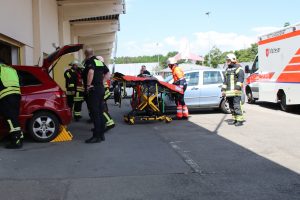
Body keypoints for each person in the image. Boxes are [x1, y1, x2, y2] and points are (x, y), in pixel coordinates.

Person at [82, 48, 109, 143]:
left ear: (85, 54)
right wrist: (101, 82)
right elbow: (108, 74)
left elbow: (90, 72)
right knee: (100, 112)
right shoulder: (99, 62)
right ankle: (101, 135)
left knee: (95, 113)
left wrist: (88, 86)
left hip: (93, 90)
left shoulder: (90, 61)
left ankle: (96, 136)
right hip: (100, 89)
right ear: (93, 53)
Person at [0, 59, 23, 149]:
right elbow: (20, 81)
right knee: (14, 117)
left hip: (6, 95)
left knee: (10, 118)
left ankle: (16, 141)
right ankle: (20, 136)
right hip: (16, 95)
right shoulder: (12, 69)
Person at [221, 53, 245, 126]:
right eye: (226, 60)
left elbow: (241, 79)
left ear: (233, 60)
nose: (227, 62)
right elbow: (225, 81)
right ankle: (235, 119)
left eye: (228, 60)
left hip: (236, 92)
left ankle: (240, 120)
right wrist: (223, 90)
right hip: (229, 93)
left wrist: (237, 88)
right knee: (231, 106)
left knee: (237, 106)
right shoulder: (227, 69)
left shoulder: (238, 68)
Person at [96, 56, 115, 131]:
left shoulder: (100, 67)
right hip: (104, 90)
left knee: (102, 109)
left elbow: (107, 76)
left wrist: (100, 83)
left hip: (103, 90)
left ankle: (110, 123)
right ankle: (103, 124)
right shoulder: (103, 67)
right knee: (103, 108)